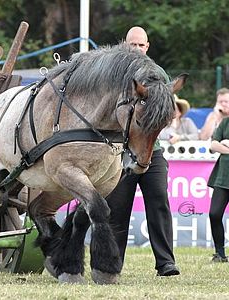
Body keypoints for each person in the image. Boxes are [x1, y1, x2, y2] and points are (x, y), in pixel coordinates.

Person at [106, 26, 180, 276]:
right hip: (120, 151)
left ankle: (166, 263)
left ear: (147, 47)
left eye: (141, 45)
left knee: (159, 201)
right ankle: (112, 266)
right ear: (124, 45)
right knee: (117, 208)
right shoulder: (114, 73)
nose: (137, 49)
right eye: (132, 44)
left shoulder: (157, 73)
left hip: (152, 150)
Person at [207, 115, 229, 262]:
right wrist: (222, 145)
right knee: (214, 214)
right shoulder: (226, 122)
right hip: (223, 177)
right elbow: (213, 145)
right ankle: (220, 253)